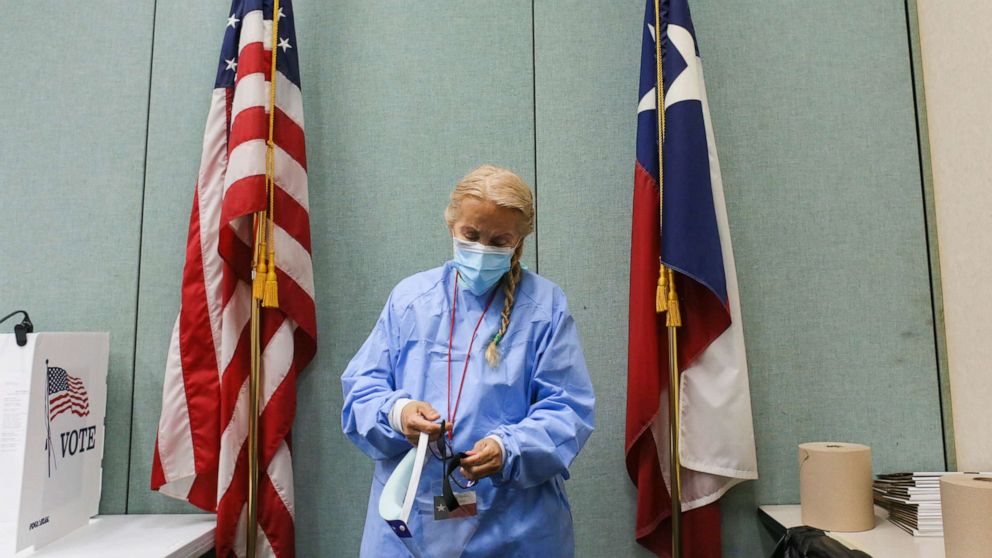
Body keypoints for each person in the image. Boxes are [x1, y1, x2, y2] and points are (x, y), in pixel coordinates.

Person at [341, 164, 596, 557]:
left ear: (519, 242)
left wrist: (507, 448)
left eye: (499, 241)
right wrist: (399, 413)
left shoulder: (544, 309)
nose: (482, 250)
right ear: (451, 226)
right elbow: (361, 390)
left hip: (515, 526)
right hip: (413, 524)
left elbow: (568, 410)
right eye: (471, 235)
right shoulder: (411, 300)